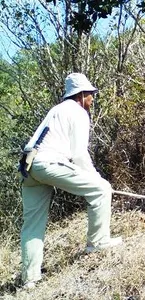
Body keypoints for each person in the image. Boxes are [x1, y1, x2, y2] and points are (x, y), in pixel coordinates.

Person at [19, 73, 122, 289]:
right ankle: (98, 242)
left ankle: (30, 279)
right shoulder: (78, 112)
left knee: (32, 224)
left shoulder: (56, 110)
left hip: (28, 167)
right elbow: (79, 154)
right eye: (91, 94)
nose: (93, 98)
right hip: (48, 163)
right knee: (102, 189)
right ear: (81, 94)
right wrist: (97, 178)